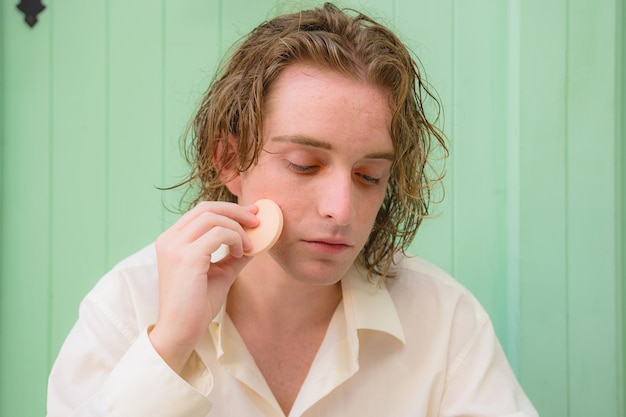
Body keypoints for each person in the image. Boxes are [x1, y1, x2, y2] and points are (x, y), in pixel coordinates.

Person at [47, 3, 539, 416]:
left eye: (370, 176)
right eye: (304, 165)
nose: (341, 209)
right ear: (229, 159)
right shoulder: (126, 308)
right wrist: (171, 343)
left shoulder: (445, 321)